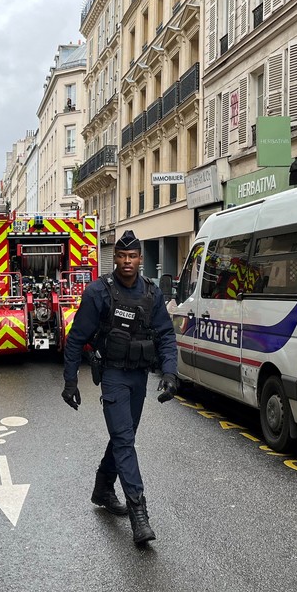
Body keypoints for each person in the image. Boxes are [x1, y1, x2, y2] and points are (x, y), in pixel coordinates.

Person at [60, 230, 179, 547]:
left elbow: (166, 335)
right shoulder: (99, 292)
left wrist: (169, 372)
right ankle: (139, 512)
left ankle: (102, 488)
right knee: (125, 439)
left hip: (138, 376)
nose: (127, 262)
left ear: (140, 259)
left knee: (124, 436)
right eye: (122, 257)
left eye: (133, 257)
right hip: (112, 374)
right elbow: (76, 339)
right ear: (116, 259)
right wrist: (70, 380)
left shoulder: (152, 294)